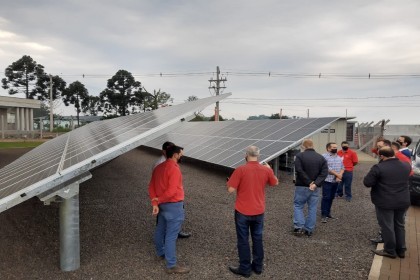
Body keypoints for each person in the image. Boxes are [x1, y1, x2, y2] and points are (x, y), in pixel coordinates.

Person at [226, 146, 278, 277]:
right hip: (259, 211)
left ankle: (245, 268)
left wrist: (229, 182)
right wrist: (270, 170)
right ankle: (258, 267)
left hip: (242, 211)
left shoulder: (240, 169)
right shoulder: (265, 170)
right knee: (258, 239)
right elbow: (274, 183)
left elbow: (230, 190)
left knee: (243, 240)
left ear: (246, 155)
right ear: (258, 155)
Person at [148, 145, 190, 274]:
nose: (182, 155)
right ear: (175, 154)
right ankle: (171, 265)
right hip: (173, 206)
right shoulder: (174, 169)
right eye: (181, 153)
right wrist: (159, 200)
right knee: (171, 236)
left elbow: (151, 186)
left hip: (162, 206)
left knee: (160, 229)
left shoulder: (159, 167)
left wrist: (156, 202)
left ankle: (161, 252)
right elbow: (171, 191)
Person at [363, 146, 411, 259]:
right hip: (403, 200)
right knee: (399, 225)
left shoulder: (379, 167)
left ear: (382, 156)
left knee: (387, 226)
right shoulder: (406, 165)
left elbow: (367, 182)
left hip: (385, 201)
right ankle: (401, 249)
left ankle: (390, 250)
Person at [153, 141, 191, 239]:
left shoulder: (170, 164)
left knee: (166, 219)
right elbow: (156, 183)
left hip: (166, 198)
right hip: (168, 199)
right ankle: (167, 235)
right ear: (165, 151)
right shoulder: (161, 164)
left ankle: (171, 232)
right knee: (165, 222)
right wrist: (158, 200)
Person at [293, 139, 328, 237]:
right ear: (313, 145)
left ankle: (299, 227)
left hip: (302, 186)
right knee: (312, 208)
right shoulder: (321, 158)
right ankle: (309, 229)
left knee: (298, 205)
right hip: (315, 188)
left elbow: (299, 170)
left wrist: (309, 182)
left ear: (303, 146)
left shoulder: (300, 156)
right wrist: (315, 184)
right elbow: (324, 173)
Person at [321, 142, 344, 223]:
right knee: (326, 197)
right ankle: (323, 215)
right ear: (328, 148)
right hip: (327, 180)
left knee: (331, 197)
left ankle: (328, 213)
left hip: (336, 181)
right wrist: (337, 175)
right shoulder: (324, 157)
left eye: (336, 147)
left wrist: (339, 175)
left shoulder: (339, 157)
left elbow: (342, 167)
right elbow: (327, 169)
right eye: (333, 147)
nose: (335, 148)